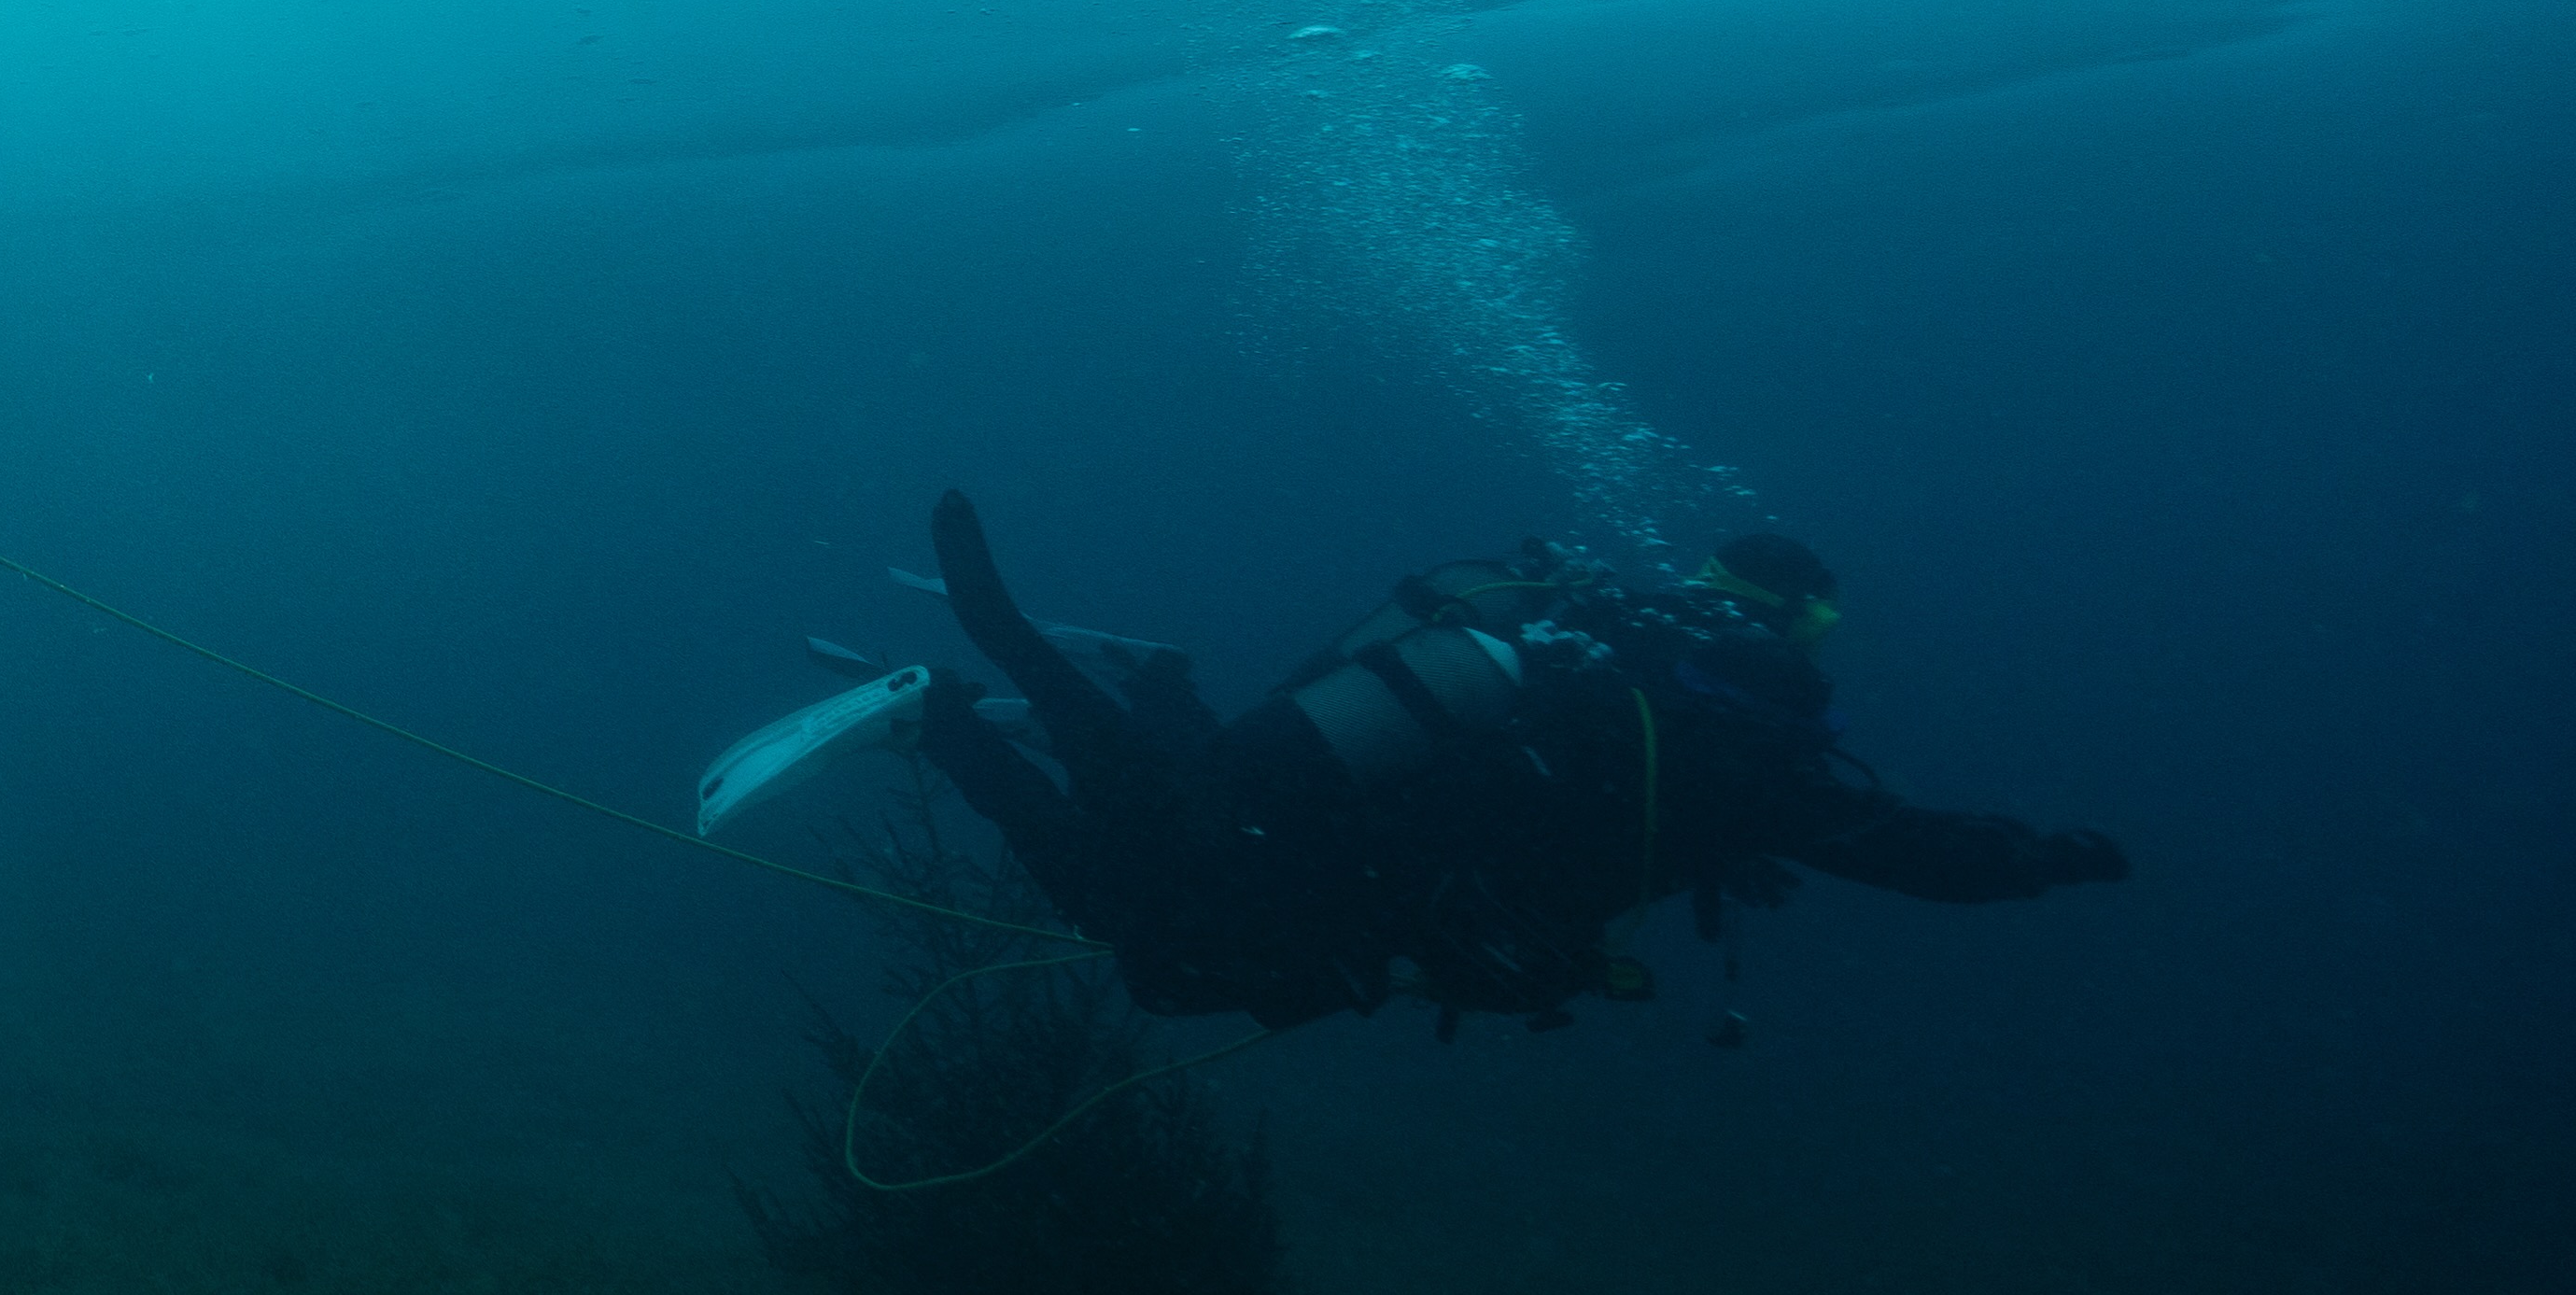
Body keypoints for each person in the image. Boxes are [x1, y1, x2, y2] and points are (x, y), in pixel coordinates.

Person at [905, 495, 2127, 1035]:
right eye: (1819, 629)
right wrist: (2042, 863)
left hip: (1341, 806)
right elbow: (1909, 854)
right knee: (1160, 941)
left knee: (1185, 828)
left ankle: (1102, 693)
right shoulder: (1740, 740)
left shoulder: (1593, 631)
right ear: (1793, 621)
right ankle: (967, 707)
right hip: (1379, 875)